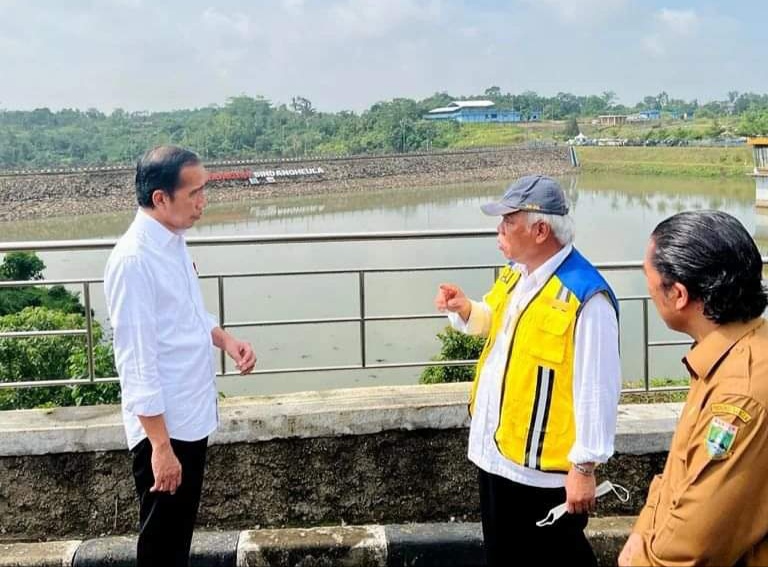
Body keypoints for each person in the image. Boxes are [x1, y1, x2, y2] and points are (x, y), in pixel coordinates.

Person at [435, 175, 621, 566]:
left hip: (541, 471)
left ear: (540, 230)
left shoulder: (585, 295)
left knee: (554, 558)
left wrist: (584, 467)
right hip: (497, 450)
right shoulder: (516, 272)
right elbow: (497, 322)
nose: (499, 230)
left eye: (508, 221)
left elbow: (597, 388)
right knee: (504, 555)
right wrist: (466, 309)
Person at [104, 145, 257, 567]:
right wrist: (160, 446)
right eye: (195, 192)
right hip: (165, 428)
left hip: (189, 417)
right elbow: (136, 362)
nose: (203, 201)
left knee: (177, 539)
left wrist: (225, 340)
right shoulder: (134, 260)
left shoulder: (172, 241)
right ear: (160, 199)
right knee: (161, 547)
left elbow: (187, 315)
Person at [619, 211, 768, 566]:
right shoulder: (725, 356)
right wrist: (641, 531)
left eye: (650, 279)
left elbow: (696, 546)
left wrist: (638, 560)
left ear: (679, 294)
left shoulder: (740, 394)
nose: (650, 291)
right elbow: (675, 474)